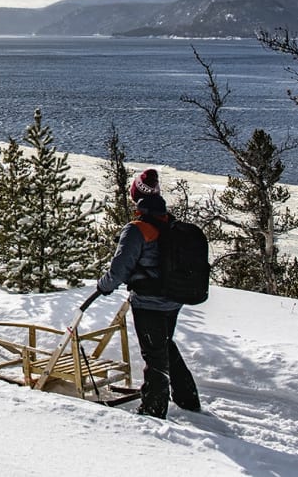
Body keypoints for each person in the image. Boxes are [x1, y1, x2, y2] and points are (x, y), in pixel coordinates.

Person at [96, 168, 200, 418]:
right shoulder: (168, 222)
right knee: (164, 344)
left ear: (136, 196)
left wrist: (104, 285)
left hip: (149, 302)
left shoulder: (137, 229)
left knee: (154, 354)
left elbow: (120, 269)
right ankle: (187, 397)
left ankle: (153, 408)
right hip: (173, 299)